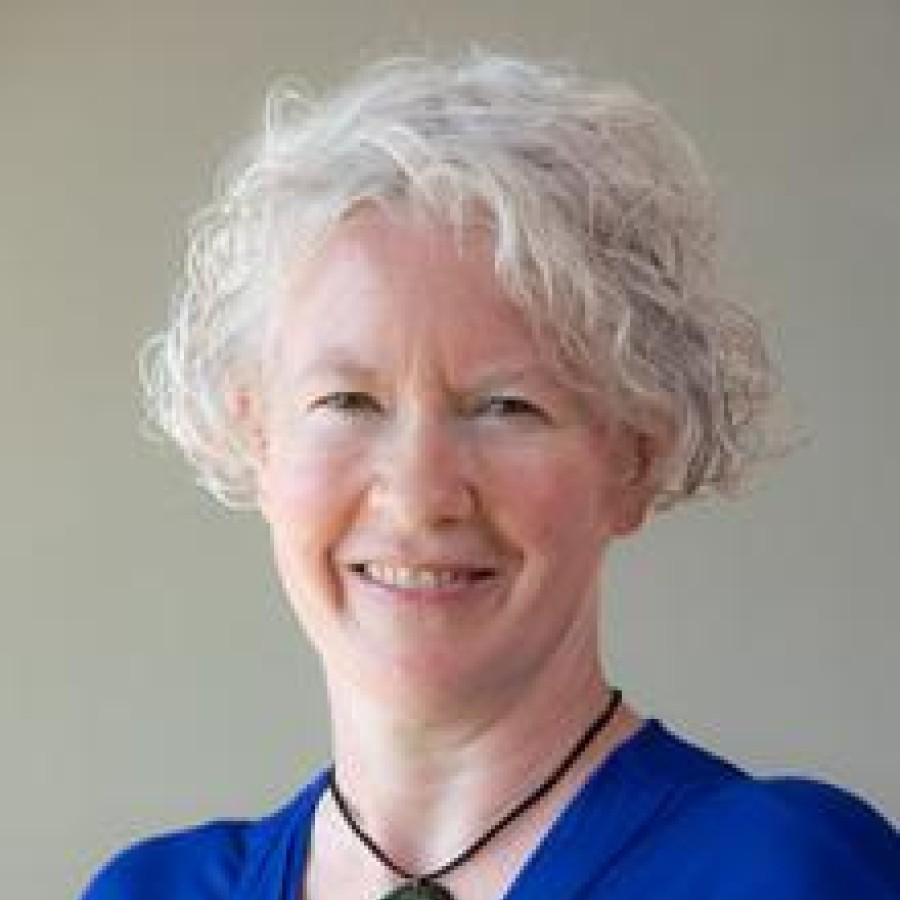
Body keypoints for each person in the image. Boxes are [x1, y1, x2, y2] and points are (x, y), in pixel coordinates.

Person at [81, 52, 898, 900]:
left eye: (506, 406)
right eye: (349, 401)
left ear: (634, 458)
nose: (420, 494)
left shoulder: (781, 872)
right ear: (257, 438)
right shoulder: (150, 891)